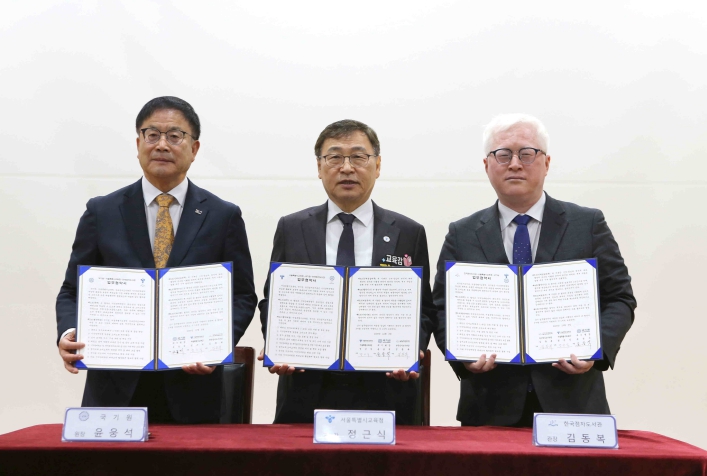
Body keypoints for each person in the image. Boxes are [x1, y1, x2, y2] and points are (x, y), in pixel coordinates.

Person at [56, 96, 258, 424]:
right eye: (152, 135)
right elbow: (71, 290)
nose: (162, 144)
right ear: (138, 144)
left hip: (193, 389)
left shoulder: (223, 216)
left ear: (194, 148)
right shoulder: (102, 211)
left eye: (175, 136)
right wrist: (68, 332)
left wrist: (216, 344)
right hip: (114, 388)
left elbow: (243, 295)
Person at [433, 113, 636, 427]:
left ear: (547, 162)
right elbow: (441, 308)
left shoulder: (587, 224)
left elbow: (619, 299)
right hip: (489, 406)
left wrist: (595, 352)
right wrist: (463, 357)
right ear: (487, 165)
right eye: (503, 154)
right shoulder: (462, 233)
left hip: (573, 403)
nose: (515, 164)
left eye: (527, 153)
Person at [257, 119, 435, 424]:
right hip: (305, 390)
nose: (347, 168)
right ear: (319, 166)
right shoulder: (292, 227)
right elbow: (272, 300)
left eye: (358, 157)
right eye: (335, 157)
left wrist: (410, 349)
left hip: (387, 391)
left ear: (378, 165)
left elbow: (424, 309)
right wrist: (278, 344)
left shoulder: (409, 232)